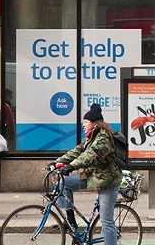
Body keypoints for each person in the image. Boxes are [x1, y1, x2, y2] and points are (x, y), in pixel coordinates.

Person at [51, 103, 120, 245]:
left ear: (95, 124)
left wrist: (71, 166)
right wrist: (57, 162)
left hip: (107, 182)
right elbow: (77, 151)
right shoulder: (91, 137)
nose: (83, 125)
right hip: (93, 176)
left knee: (106, 221)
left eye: (86, 122)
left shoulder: (103, 139)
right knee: (63, 184)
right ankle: (70, 221)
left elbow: (89, 155)